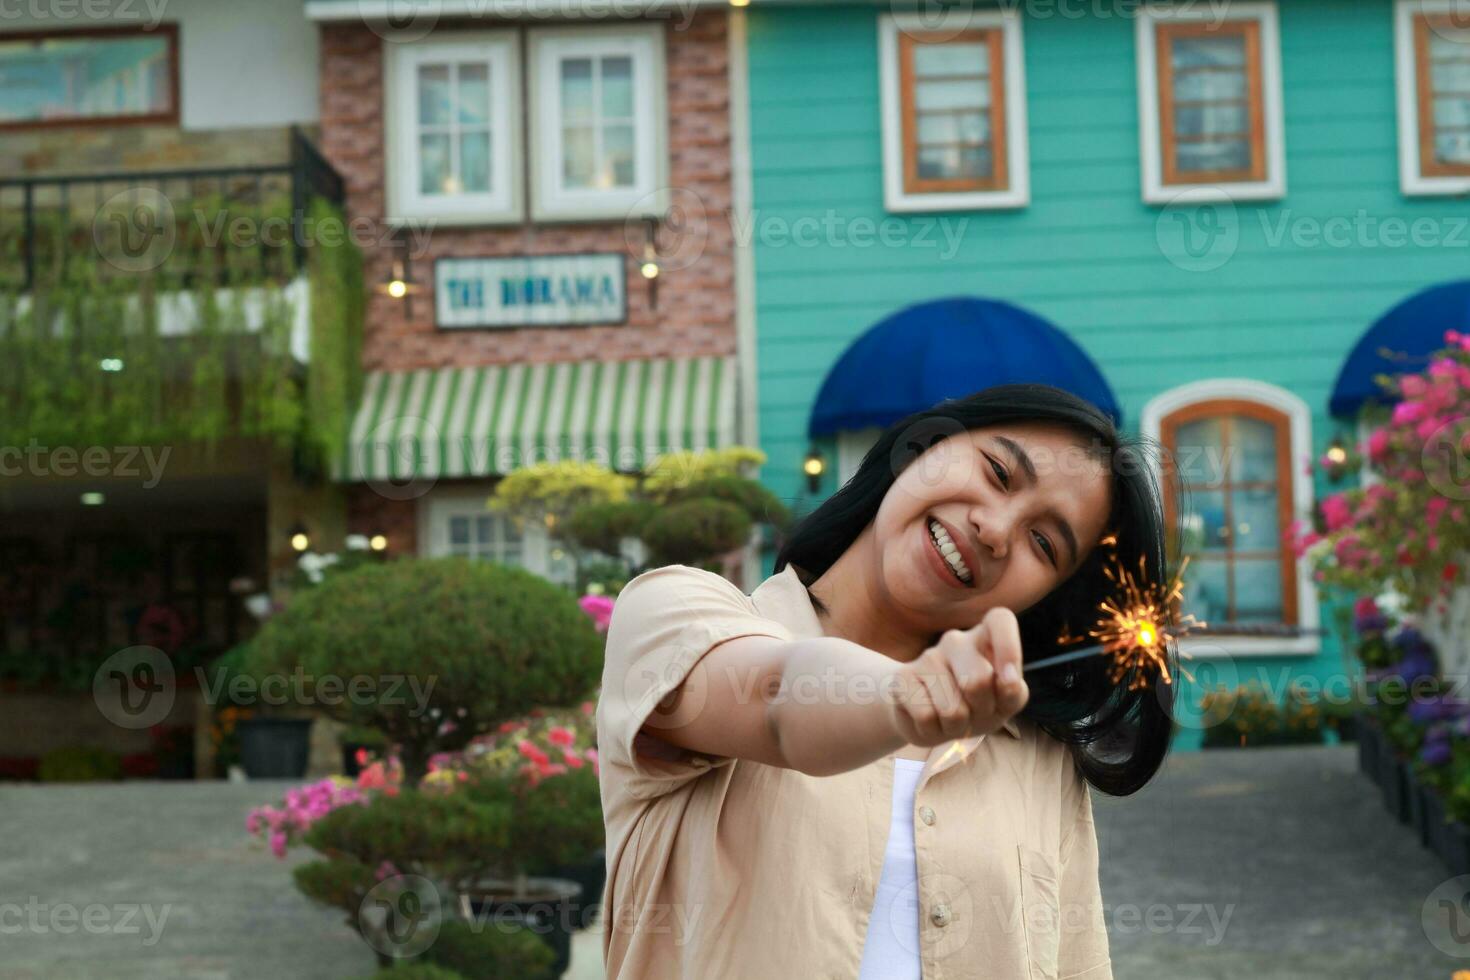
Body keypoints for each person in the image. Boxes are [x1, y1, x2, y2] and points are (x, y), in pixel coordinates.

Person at [596, 384, 1176, 980]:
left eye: (1043, 543)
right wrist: (903, 696)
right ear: (921, 447)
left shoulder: (1040, 758)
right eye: (998, 471)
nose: (996, 529)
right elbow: (775, 700)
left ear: (1047, 596)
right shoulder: (677, 617)